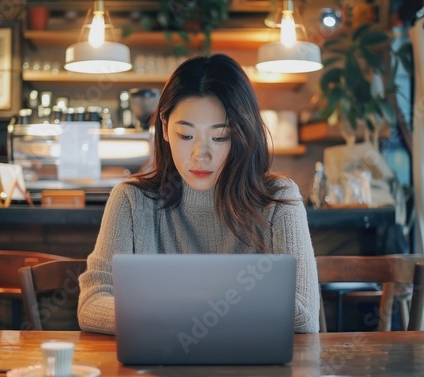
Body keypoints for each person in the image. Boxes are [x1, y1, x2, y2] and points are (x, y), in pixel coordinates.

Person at [78, 53, 320, 334]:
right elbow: (92, 304)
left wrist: (169, 315)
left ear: (243, 134)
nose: (200, 155)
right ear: (165, 128)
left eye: (219, 137)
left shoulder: (278, 200)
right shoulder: (131, 200)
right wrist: (209, 315)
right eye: (186, 135)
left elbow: (303, 315)